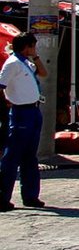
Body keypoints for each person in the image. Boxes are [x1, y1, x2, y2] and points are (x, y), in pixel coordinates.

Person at [0, 32, 48, 211]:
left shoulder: (26, 62)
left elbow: (43, 73)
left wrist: (35, 57)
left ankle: (30, 195)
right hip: (21, 112)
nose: (34, 49)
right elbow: (1, 85)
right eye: (33, 46)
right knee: (12, 156)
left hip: (34, 110)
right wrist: (6, 105)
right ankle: (3, 196)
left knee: (30, 156)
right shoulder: (12, 64)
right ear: (26, 46)